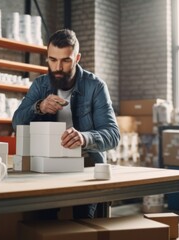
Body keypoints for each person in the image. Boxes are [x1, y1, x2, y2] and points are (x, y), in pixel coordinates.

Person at [12, 28, 120, 219]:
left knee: (83, 223)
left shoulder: (95, 86)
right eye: (52, 60)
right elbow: (16, 122)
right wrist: (39, 106)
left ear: (77, 58)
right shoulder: (40, 85)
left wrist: (84, 138)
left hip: (86, 166)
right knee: (41, 221)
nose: (58, 67)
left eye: (65, 60)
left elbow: (112, 134)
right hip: (47, 166)